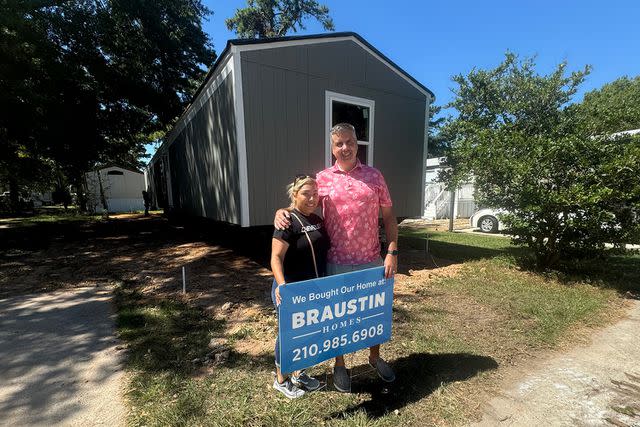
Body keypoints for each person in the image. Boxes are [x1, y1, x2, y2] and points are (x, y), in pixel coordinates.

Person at [275, 123, 398, 392]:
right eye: (339, 143)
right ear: (332, 148)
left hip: (371, 260)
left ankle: (374, 357)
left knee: (372, 313)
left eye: (349, 142)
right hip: (336, 261)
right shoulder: (323, 179)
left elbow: (389, 218)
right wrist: (281, 211)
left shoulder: (375, 176)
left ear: (357, 143)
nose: (345, 148)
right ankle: (339, 364)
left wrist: (391, 251)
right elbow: (303, 203)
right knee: (339, 317)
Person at [271, 174, 329, 398]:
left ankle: (299, 373)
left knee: (309, 333)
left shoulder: (317, 218)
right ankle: (281, 378)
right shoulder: (286, 221)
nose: (312, 198)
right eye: (306, 193)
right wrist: (282, 286)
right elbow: (275, 258)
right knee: (288, 335)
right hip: (291, 289)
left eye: (315, 193)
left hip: (313, 289)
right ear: (295, 194)